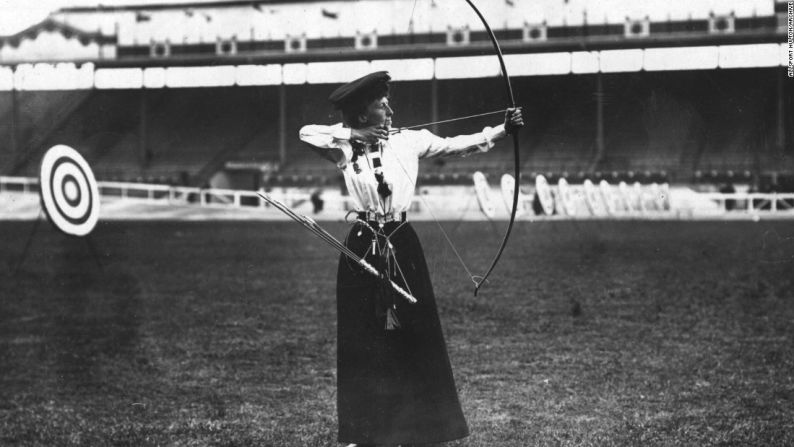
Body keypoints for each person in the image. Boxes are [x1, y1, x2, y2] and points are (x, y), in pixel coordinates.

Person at [299, 71, 523, 446]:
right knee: (362, 337)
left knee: (416, 334)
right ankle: (362, 431)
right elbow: (306, 132)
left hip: (402, 242)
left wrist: (501, 130)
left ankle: (425, 429)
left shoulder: (410, 141)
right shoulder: (343, 144)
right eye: (381, 104)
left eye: (387, 102)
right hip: (362, 243)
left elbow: (457, 145)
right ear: (363, 113)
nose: (389, 109)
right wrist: (354, 136)